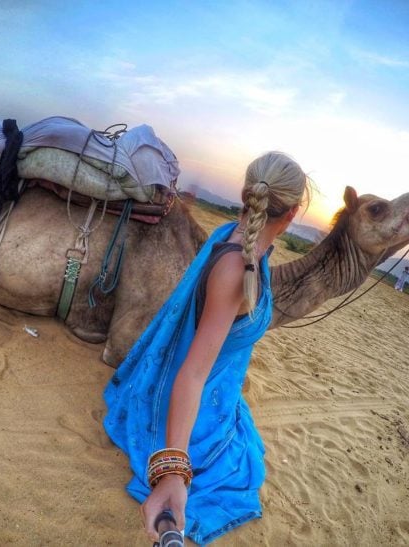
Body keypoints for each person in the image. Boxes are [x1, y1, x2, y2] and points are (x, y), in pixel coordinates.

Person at [103, 151, 311, 544]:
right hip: (192, 395)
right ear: (293, 213)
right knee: (235, 473)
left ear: (247, 192)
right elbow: (195, 371)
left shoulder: (232, 238)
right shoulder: (237, 271)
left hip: (216, 389)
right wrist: (172, 472)